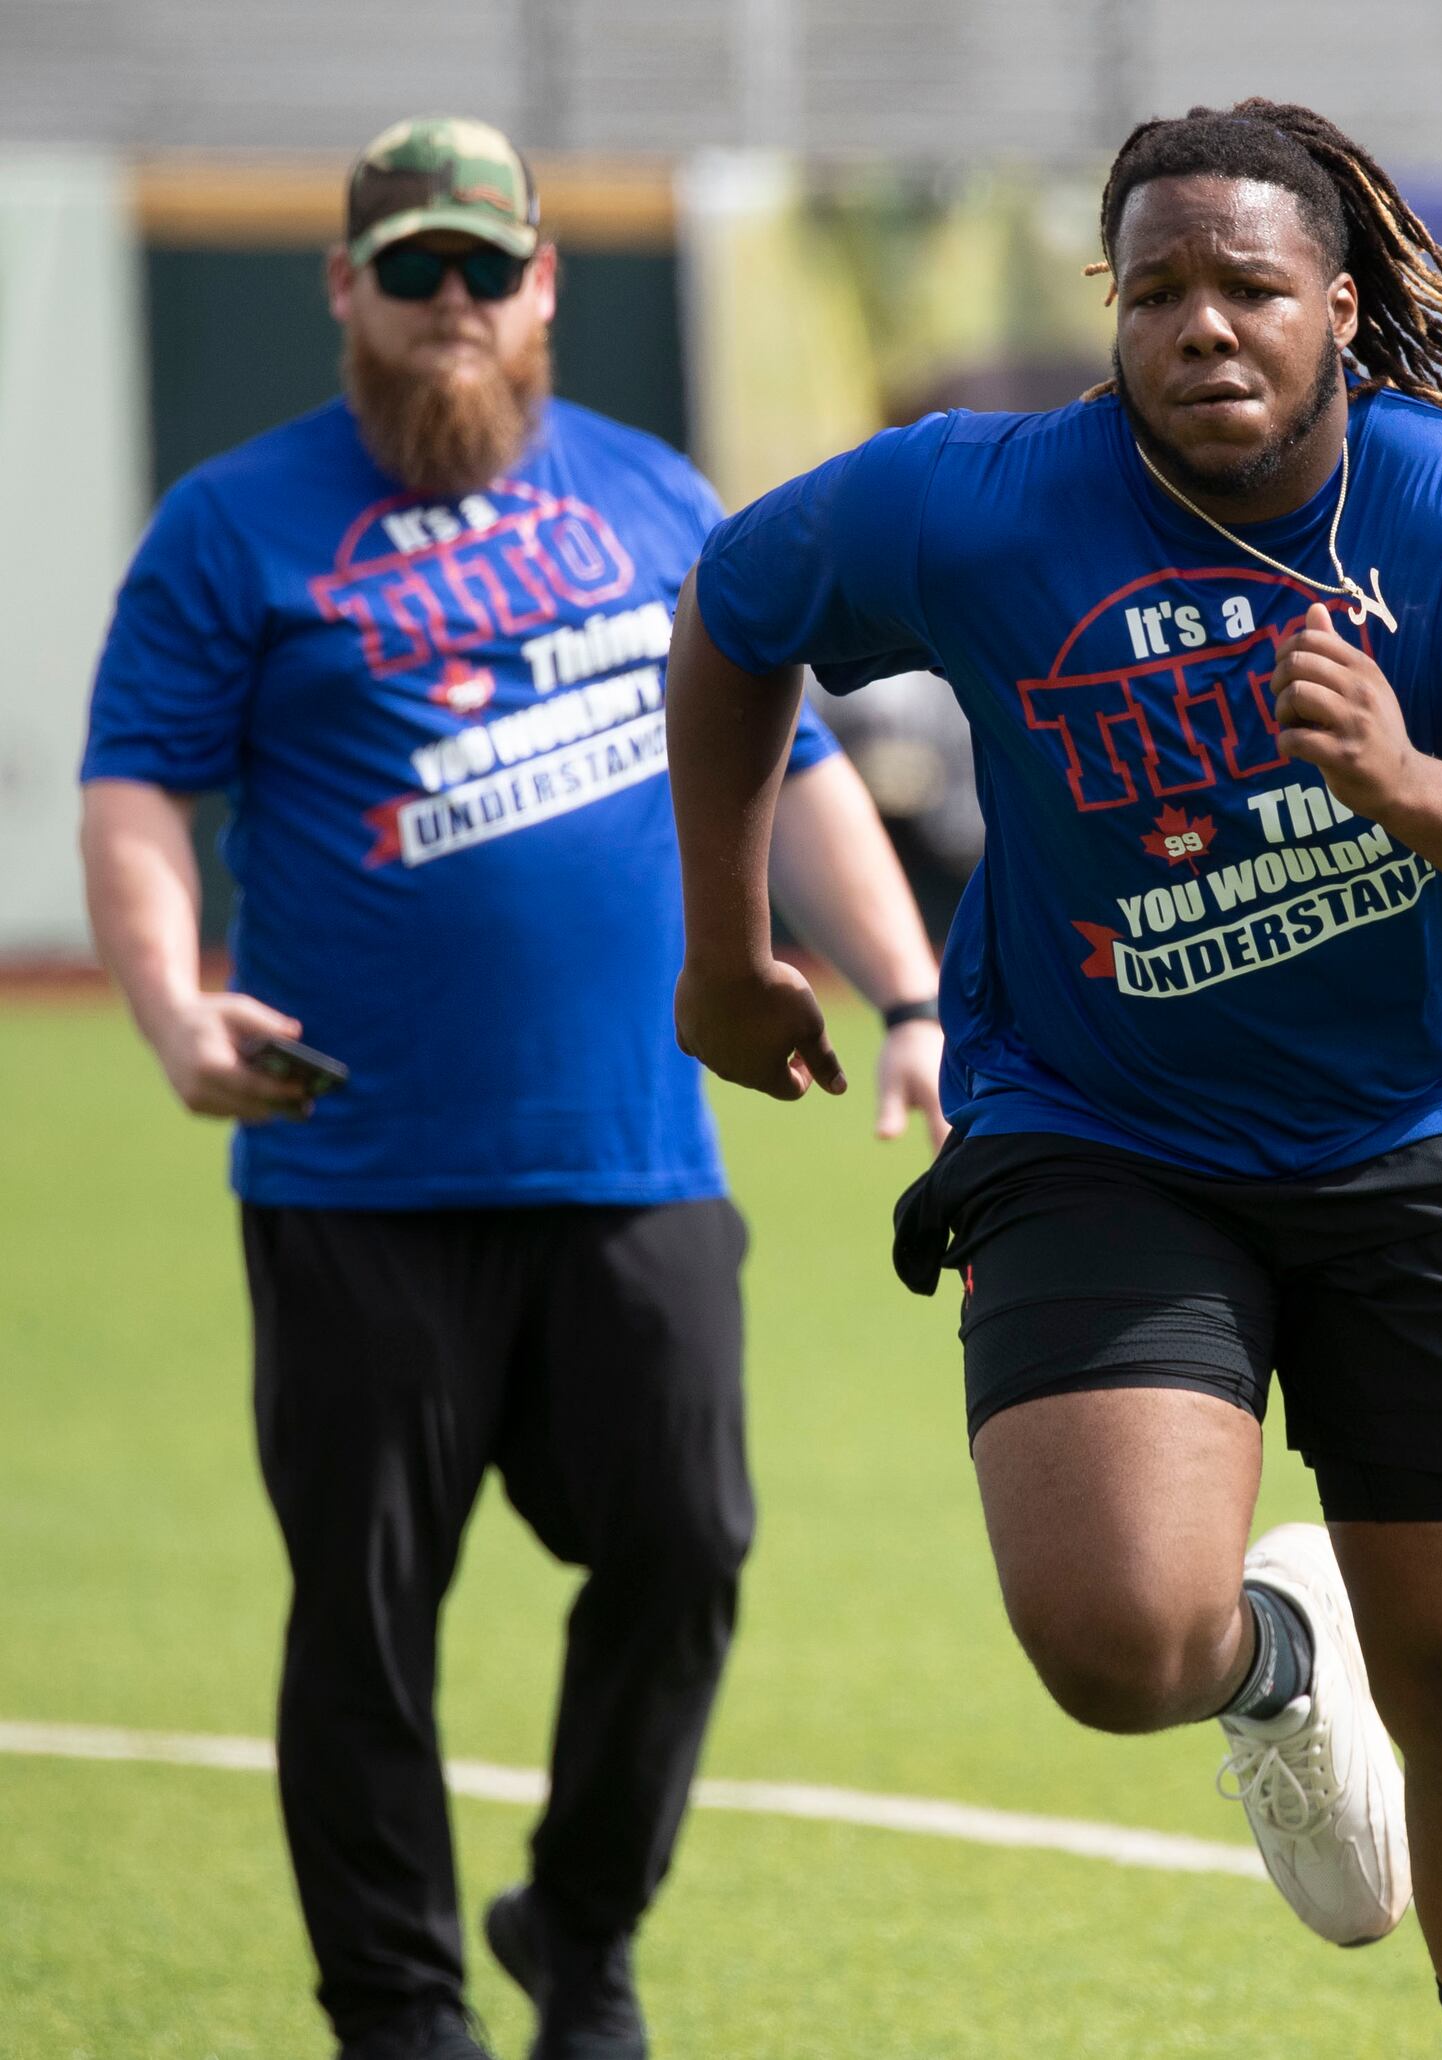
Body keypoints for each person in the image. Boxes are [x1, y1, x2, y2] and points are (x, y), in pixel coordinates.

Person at [665, 99, 1442, 2060]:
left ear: (1337, 305)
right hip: (1099, 1131)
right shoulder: (975, 504)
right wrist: (725, 941)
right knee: (1113, 1643)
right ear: (1112, 308)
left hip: (1436, 1143)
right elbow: (738, 610)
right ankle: (1274, 1654)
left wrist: (1407, 785)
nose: (1202, 327)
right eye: (1154, 288)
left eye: (1249, 285)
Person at [77, 116, 944, 2060]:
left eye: (491, 267)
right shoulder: (234, 527)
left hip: (634, 1153)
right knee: (369, 1618)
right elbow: (139, 783)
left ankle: (580, 1923)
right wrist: (166, 1001)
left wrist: (907, 989)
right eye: (415, 270)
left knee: (685, 1546)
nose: (453, 304)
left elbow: (791, 774)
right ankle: (400, 2012)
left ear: (548, 284)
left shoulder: (654, 500)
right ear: (346, 292)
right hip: (353, 1170)